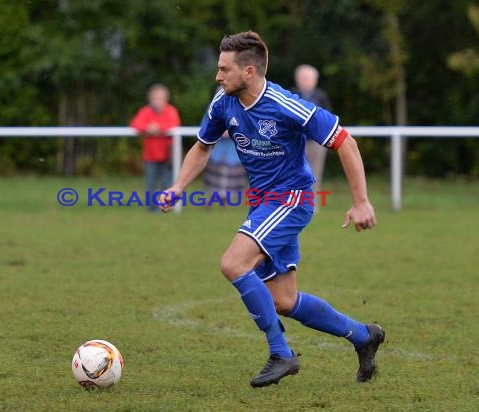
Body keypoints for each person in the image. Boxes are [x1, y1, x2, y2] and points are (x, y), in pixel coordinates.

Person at [159, 31, 384, 388]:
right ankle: (363, 335)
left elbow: (345, 141)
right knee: (283, 300)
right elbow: (202, 147)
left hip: (292, 198)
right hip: (263, 203)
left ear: (249, 71)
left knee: (233, 263)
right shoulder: (223, 102)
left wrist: (360, 201)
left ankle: (281, 353)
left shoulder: (285, 104)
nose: (218, 76)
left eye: (224, 69)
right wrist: (178, 186)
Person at [130, 83, 181, 212]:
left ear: (166, 99)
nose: (156, 101)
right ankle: (152, 210)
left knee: (167, 184)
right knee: (151, 184)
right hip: (150, 156)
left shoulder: (171, 111)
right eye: (154, 98)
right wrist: (148, 128)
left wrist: (157, 128)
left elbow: (174, 125)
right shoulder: (145, 112)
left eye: (159, 98)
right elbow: (136, 125)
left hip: (168, 156)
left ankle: (167, 208)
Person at [293, 64, 332, 195]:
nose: (306, 81)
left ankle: (312, 203)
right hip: (296, 142)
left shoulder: (321, 96)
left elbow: (329, 118)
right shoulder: (291, 95)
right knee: (295, 173)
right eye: (303, 78)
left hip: (316, 142)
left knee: (315, 172)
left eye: (308, 78)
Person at [203, 132, 247, 207]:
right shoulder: (211, 119)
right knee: (214, 182)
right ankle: (212, 202)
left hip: (233, 155)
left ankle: (223, 202)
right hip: (217, 154)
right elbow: (204, 131)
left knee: (229, 183)